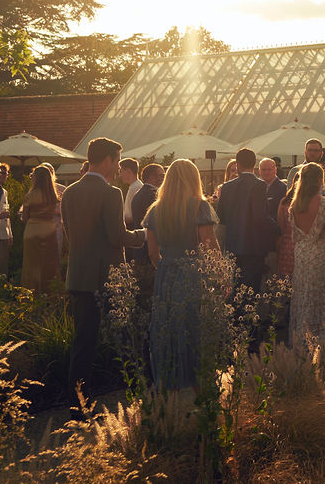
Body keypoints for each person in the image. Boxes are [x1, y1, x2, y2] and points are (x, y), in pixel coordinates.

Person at [62, 137, 145, 403]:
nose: (118, 167)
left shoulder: (70, 191)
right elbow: (117, 236)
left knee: (83, 344)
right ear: (108, 159)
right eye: (118, 161)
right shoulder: (111, 193)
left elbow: (69, 234)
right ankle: (139, 396)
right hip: (107, 277)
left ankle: (78, 403)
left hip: (78, 275)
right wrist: (143, 235)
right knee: (126, 335)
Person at [142, 159, 220, 390]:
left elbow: (153, 253)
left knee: (167, 329)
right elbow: (210, 246)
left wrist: (168, 268)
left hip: (166, 275)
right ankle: (198, 384)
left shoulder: (156, 210)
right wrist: (219, 276)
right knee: (194, 327)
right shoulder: (199, 206)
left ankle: (169, 382)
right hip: (193, 272)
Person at [289, 163, 325, 342]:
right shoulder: (324, 204)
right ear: (319, 180)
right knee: (321, 294)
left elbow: (294, 232)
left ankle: (300, 336)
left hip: (302, 253)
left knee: (303, 293)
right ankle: (319, 338)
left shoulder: (295, 204)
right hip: (320, 253)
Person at [216, 148, 279, 291]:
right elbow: (260, 216)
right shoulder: (259, 185)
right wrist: (278, 228)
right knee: (250, 290)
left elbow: (221, 217)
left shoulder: (226, 187)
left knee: (235, 289)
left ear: (238, 164)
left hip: (233, 245)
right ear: (255, 164)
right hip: (253, 246)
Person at [19, 165, 62, 292]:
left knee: (31, 264)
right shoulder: (53, 196)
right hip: (50, 231)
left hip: (32, 232)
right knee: (50, 263)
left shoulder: (30, 195)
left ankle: (32, 292)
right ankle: (50, 292)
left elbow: (25, 218)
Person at [129, 164, 164, 265]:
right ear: (152, 177)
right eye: (161, 176)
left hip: (139, 250)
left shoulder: (137, 196)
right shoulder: (156, 196)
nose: (164, 179)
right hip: (154, 250)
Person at [0, 164, 13, 277]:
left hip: (4, 233)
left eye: (7, 174)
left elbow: (7, 215)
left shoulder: (4, 192)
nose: (6, 176)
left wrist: (10, 234)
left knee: (3, 264)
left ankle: (2, 287)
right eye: (4, 173)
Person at [120, 158, 143, 226]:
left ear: (128, 171)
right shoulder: (135, 186)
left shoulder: (135, 188)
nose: (120, 175)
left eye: (121, 171)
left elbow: (132, 216)